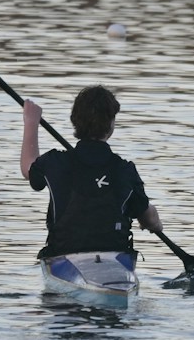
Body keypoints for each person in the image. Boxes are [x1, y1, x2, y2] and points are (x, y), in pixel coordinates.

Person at [20, 85, 162, 259]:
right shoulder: (125, 170)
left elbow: (28, 168)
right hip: (115, 259)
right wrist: (156, 225)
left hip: (62, 256)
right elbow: (149, 219)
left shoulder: (55, 162)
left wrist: (31, 122)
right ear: (111, 125)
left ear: (74, 121)